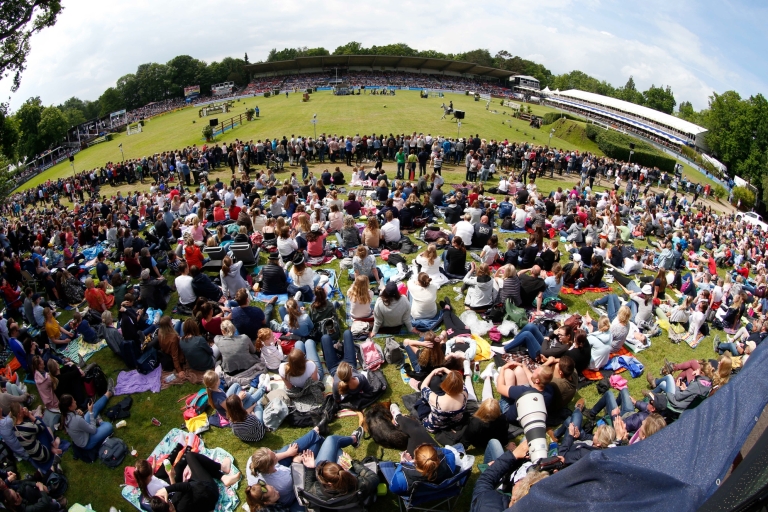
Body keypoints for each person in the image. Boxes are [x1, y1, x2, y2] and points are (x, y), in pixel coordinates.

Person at [299, 428, 377, 504]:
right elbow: (374, 478)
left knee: (331, 442)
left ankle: (324, 440)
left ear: (328, 483)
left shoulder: (319, 492)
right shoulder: (359, 485)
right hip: (353, 490)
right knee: (331, 441)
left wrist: (310, 469)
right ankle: (354, 439)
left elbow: (307, 490)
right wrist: (352, 463)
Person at [148, 452, 240, 512]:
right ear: (169, 507)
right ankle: (222, 469)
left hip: (197, 489)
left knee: (194, 467)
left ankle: (223, 477)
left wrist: (172, 477)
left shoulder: (173, 506)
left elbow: (180, 491)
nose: (164, 496)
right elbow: (187, 487)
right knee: (190, 456)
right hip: (208, 490)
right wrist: (166, 489)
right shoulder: (181, 507)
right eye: (163, 498)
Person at [383, 443, 457, 496]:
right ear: (436, 456)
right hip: (442, 489)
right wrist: (432, 451)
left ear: (415, 461)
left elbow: (393, 489)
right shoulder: (449, 463)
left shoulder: (402, 478)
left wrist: (402, 463)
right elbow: (448, 452)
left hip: (419, 494)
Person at [60, 382, 115, 451]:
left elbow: (79, 424)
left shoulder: (66, 414)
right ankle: (100, 421)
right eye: (73, 401)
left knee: (93, 408)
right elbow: (93, 430)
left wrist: (82, 415)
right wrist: (91, 413)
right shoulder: (76, 419)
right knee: (109, 426)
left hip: (83, 430)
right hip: (87, 442)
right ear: (70, 407)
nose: (75, 401)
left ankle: (108, 393)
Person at [420, 368, 468, 432]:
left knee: (421, 404)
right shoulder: (465, 394)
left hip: (435, 426)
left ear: (444, 386)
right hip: (455, 422)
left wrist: (432, 372)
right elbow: (460, 380)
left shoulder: (436, 399)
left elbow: (423, 386)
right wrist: (445, 369)